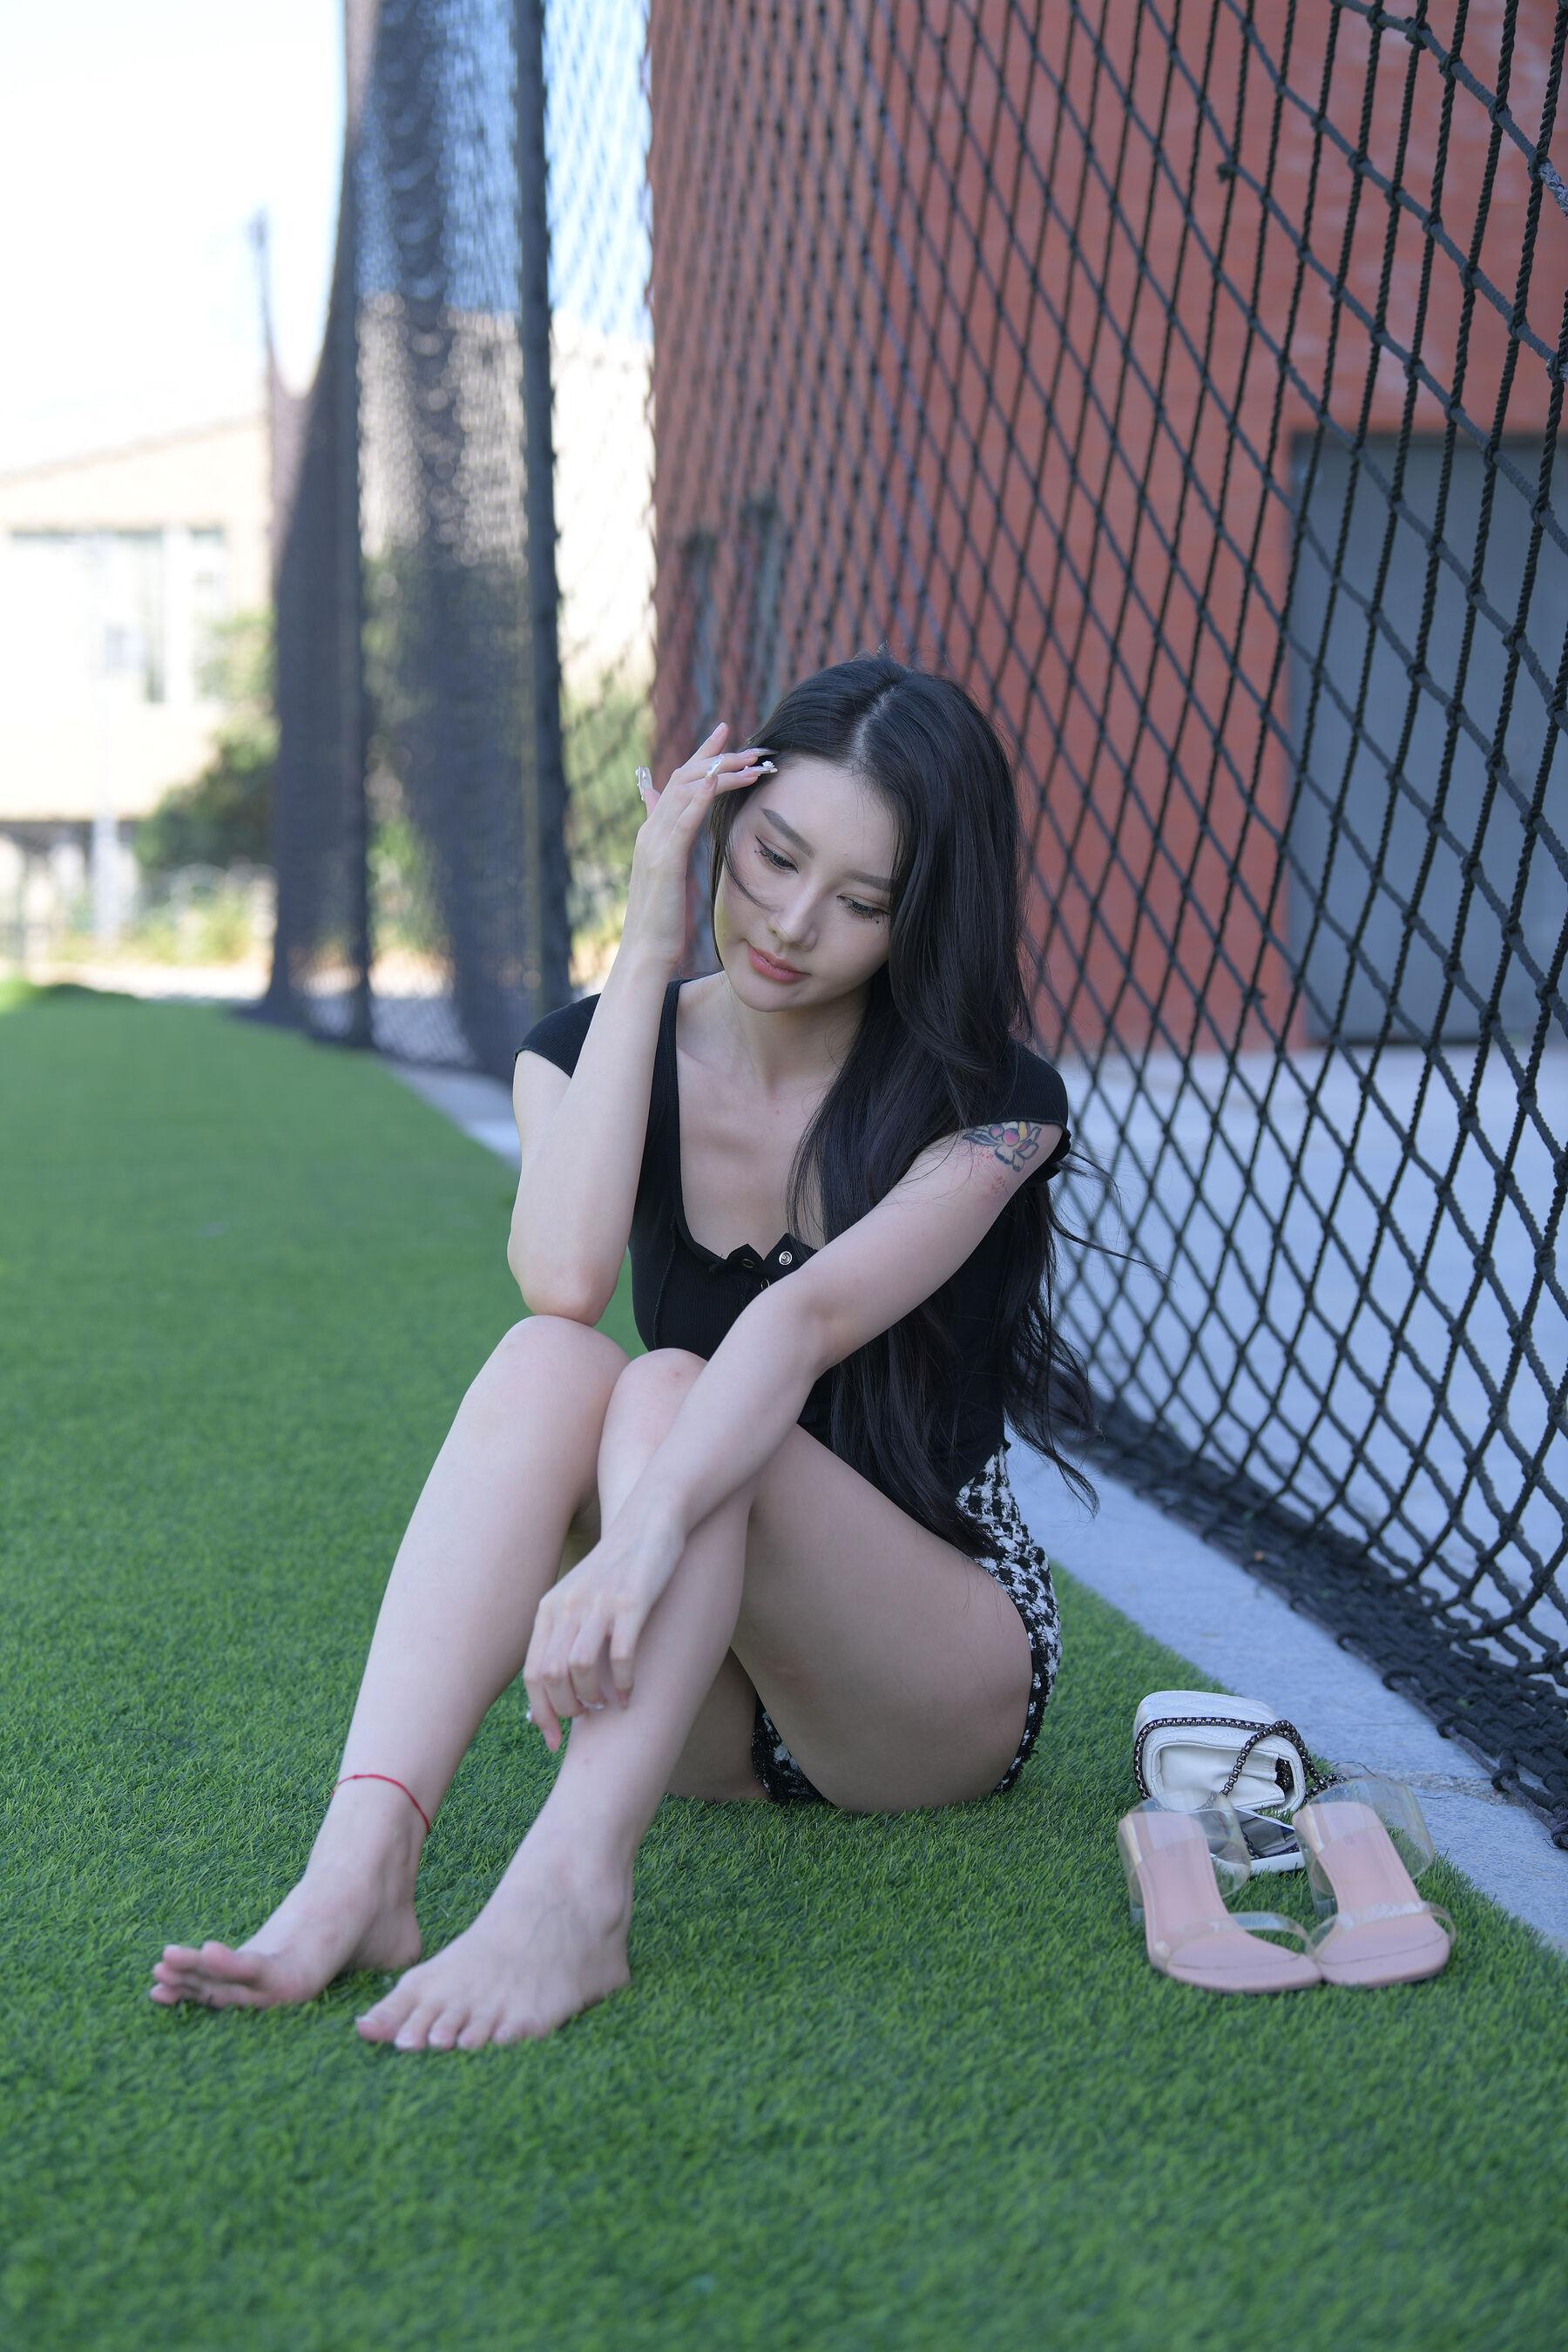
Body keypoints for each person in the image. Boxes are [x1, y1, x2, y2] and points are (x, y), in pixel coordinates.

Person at [149, 653, 1097, 2051]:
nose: (790, 924)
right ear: (717, 824)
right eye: (772, 858)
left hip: (921, 1681)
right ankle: (363, 1864)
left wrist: (637, 1538)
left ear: (921, 919)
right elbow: (563, 1280)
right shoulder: (580, 1055)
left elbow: (803, 1323)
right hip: (697, 1700)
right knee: (551, 1362)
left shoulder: (996, 1103)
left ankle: (572, 1896)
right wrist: (647, 948)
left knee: (667, 1386)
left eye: (862, 903)